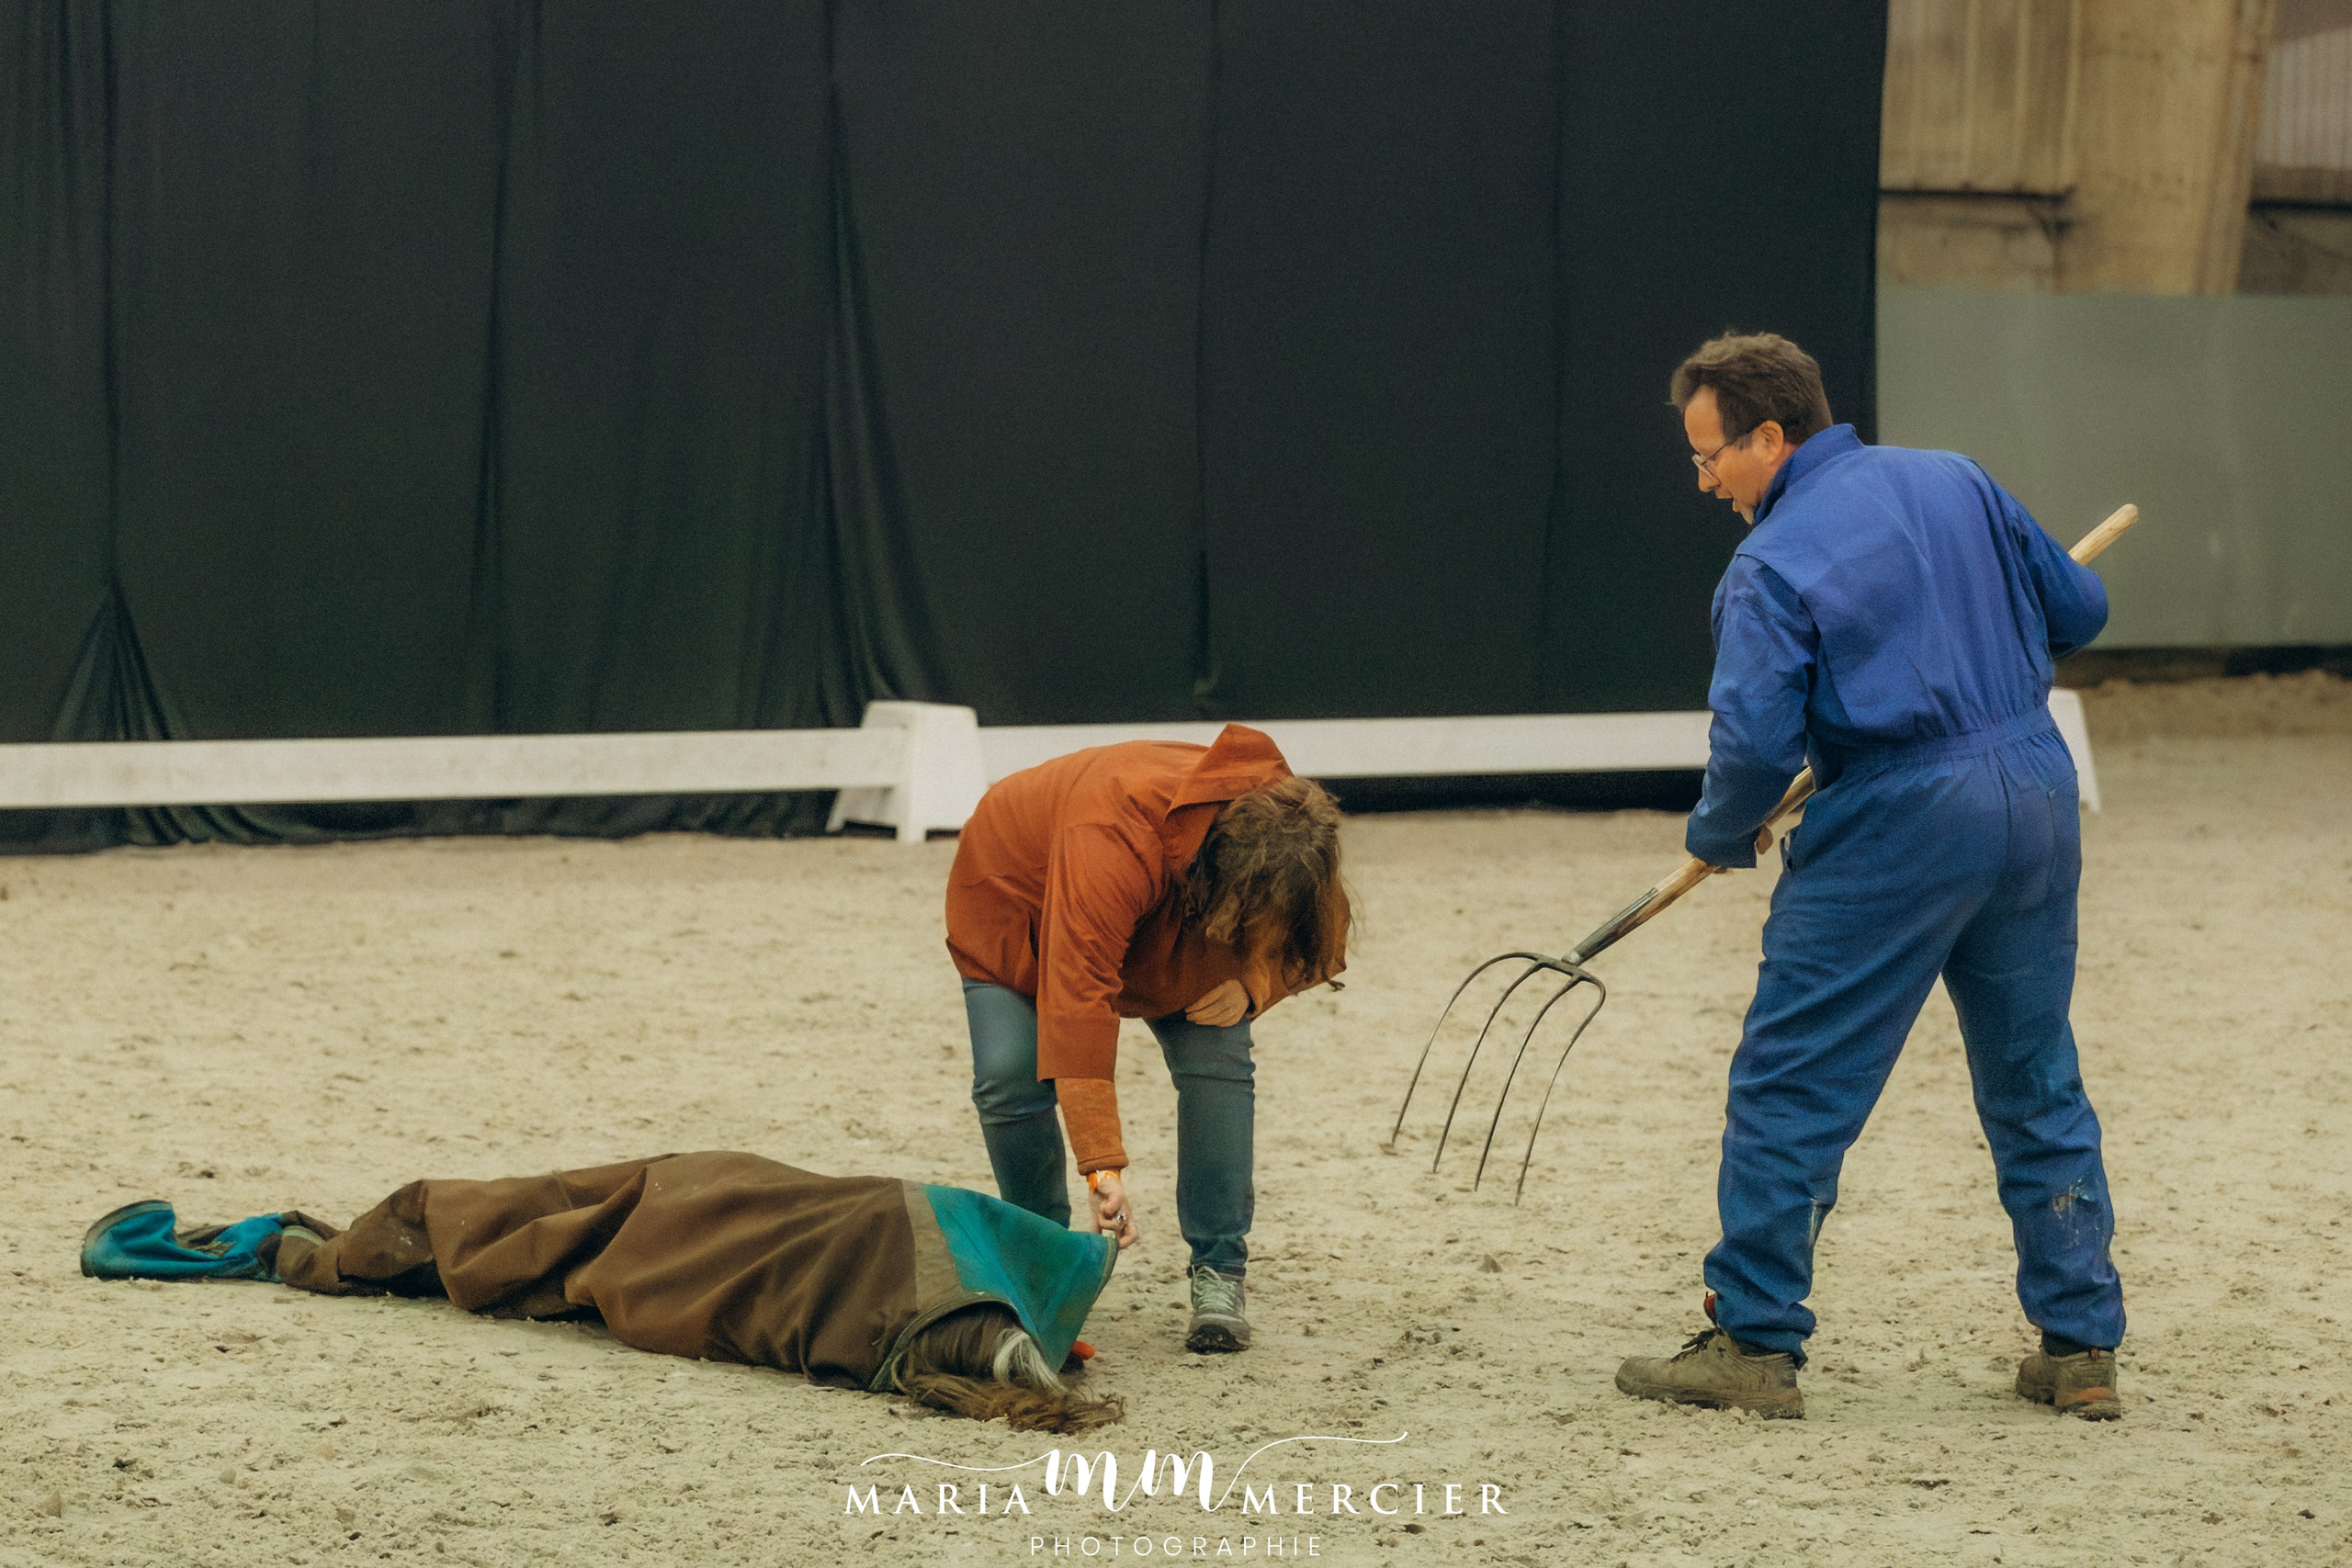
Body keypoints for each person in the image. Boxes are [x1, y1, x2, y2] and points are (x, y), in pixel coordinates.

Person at [1611, 333, 2126, 1421]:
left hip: (1898, 819)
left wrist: (1719, 833)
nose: (1706, 482)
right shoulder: (1955, 476)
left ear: (1770, 435)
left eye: (1712, 458)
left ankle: (1751, 1341)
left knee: (1792, 1079)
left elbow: (1753, 748)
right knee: (2034, 1073)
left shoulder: (1768, 565)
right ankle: (2080, 1346)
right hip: (2035, 792)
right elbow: (2080, 614)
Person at [81, 1150, 1121, 1431]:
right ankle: (360, 1247)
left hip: (775, 1224)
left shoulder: (936, 1261)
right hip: (775, 1268)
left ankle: (335, 1249)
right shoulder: (883, 1345)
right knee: (575, 1241)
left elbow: (1003, 1253)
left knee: (573, 1216)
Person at [945, 724, 1348, 1354]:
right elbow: (1080, 996)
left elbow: (1316, 925)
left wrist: (1256, 985)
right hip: (1019, 887)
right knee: (1009, 1073)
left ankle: (1220, 1271)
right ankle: (1041, 1261)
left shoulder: (1291, 828)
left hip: (1194, 900)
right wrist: (1102, 1166)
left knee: (1219, 1055)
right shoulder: (1110, 837)